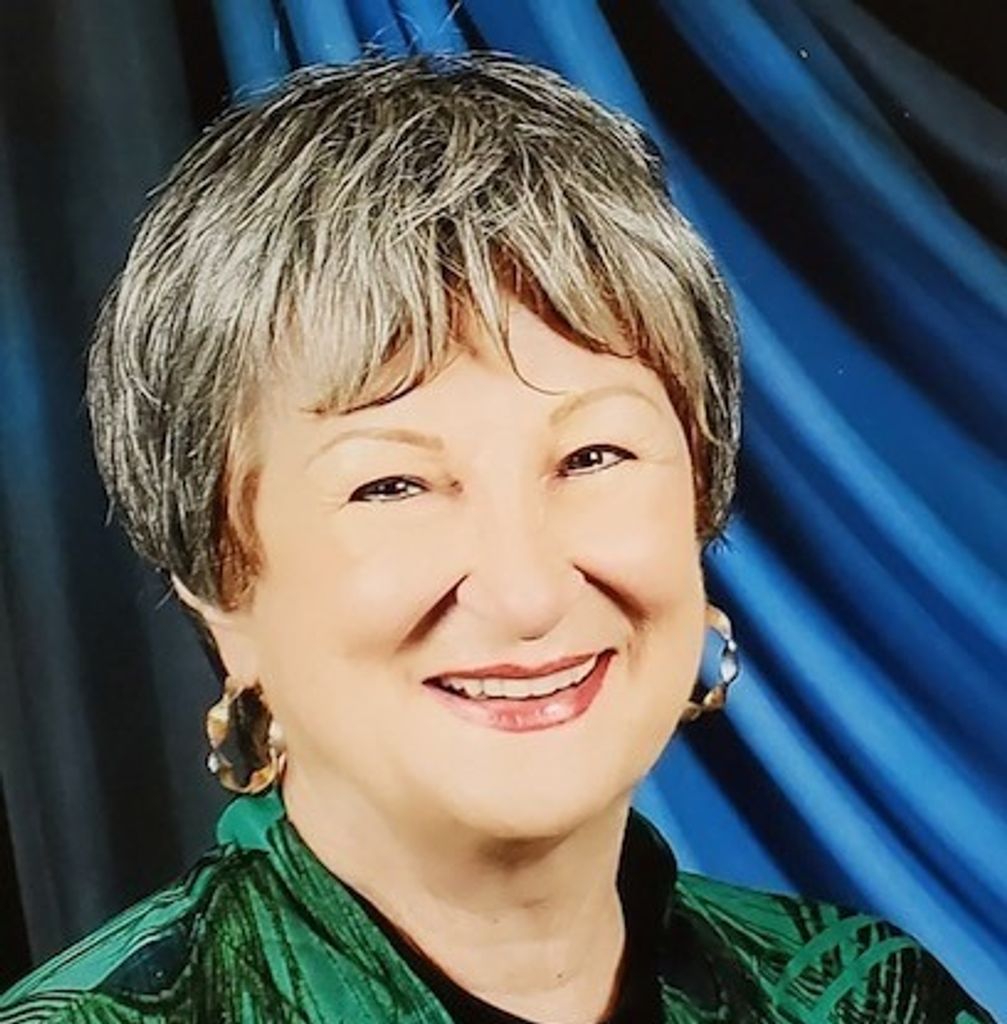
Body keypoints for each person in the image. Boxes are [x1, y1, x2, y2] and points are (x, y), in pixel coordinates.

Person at [0, 54, 992, 1024]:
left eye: (593, 456)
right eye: (391, 484)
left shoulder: (867, 999)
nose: (526, 592)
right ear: (220, 581)